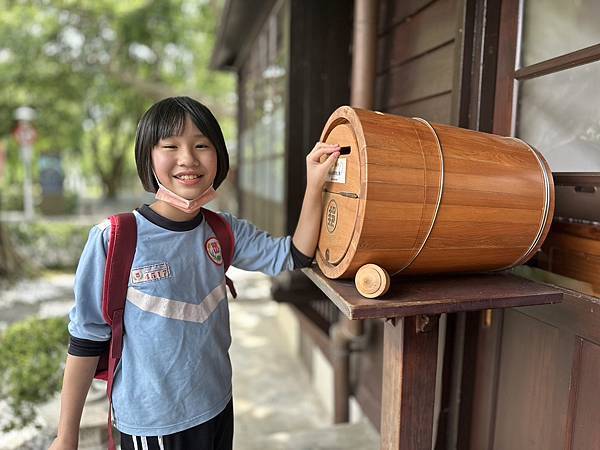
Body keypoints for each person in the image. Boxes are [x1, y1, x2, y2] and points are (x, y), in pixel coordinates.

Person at [49, 96, 340, 450]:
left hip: (218, 406)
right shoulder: (114, 239)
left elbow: (294, 255)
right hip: (154, 424)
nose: (188, 158)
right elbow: (85, 342)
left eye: (201, 145)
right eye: (170, 146)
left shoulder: (222, 230)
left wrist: (315, 184)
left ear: (218, 156)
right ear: (148, 158)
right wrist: (67, 437)